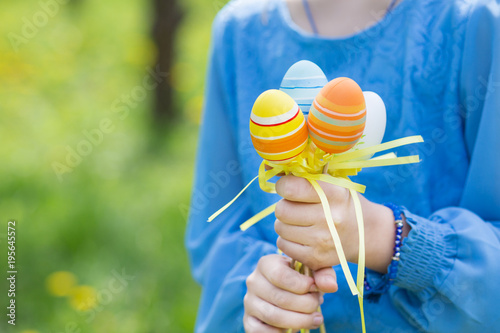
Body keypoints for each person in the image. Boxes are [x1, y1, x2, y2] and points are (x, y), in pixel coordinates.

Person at [186, 0, 500, 331]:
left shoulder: (475, 24)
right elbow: (214, 234)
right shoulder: (240, 32)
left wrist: (380, 235)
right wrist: (262, 294)